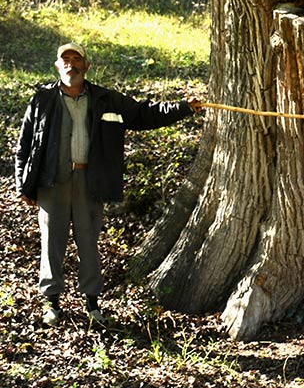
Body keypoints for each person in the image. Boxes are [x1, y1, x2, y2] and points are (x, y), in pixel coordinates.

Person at [15, 42, 202, 326]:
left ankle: (92, 303)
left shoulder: (105, 99)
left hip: (90, 181)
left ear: (86, 66)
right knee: (52, 243)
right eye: (65, 60)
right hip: (52, 182)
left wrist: (182, 108)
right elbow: (24, 145)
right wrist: (23, 185)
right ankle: (51, 303)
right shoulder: (42, 100)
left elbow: (143, 114)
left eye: (76, 59)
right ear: (57, 66)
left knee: (89, 242)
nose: (71, 64)